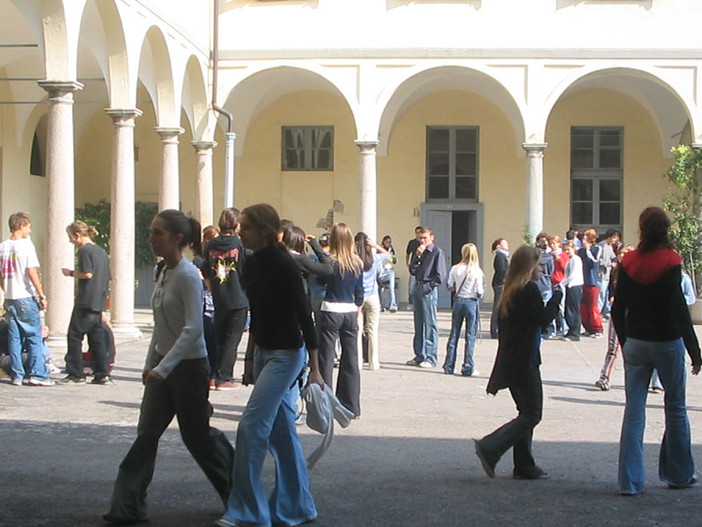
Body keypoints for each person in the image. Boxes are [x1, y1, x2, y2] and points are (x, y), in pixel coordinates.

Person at [104, 210, 234, 525]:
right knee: (147, 433)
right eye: (152, 231)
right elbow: (161, 326)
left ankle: (241, 493)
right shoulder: (164, 272)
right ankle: (128, 506)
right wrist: (152, 363)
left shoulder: (188, 275)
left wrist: (162, 368)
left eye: (158, 232)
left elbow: (192, 330)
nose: (152, 238)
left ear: (177, 239)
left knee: (197, 436)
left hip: (189, 368)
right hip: (164, 367)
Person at [217, 204, 323, 527]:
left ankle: (248, 511)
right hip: (265, 352)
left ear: (264, 231)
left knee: (251, 426)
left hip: (287, 354)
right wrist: (250, 359)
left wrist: (315, 368)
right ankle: (298, 506)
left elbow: (306, 317)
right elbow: (257, 314)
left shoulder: (284, 265)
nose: (241, 232)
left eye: (247, 227)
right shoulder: (252, 262)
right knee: (280, 432)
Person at [612, 206, 701, 495]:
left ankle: (629, 481)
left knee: (633, 412)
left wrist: (626, 342)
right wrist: (694, 349)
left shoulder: (628, 262)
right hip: (667, 341)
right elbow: (678, 308)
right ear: (665, 229)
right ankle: (679, 474)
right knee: (675, 409)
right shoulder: (671, 261)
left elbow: (617, 309)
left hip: (636, 341)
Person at [474, 245, 562, 480]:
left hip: (514, 360)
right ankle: (491, 446)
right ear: (530, 266)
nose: (542, 269)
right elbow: (542, 319)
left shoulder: (511, 290)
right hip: (525, 361)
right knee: (533, 413)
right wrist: (556, 300)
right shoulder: (527, 290)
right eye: (539, 265)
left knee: (526, 411)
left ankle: (524, 465)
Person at [0, 212, 52, 386]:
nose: (30, 231)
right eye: (28, 227)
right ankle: (38, 374)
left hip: (10, 297)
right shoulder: (26, 246)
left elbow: (1, 275)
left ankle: (17, 375)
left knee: (14, 337)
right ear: (21, 226)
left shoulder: (3, 247)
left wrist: (6, 289)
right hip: (25, 296)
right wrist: (41, 293)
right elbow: (31, 272)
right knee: (34, 336)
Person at [317, 223, 364, 416]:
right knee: (350, 359)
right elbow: (360, 291)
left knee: (326, 358)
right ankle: (351, 405)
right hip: (350, 310)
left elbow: (320, 281)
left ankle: (326, 404)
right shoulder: (357, 262)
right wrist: (358, 310)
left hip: (331, 309)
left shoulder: (331, 261)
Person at [59, 221, 112, 385]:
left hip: (86, 300)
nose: (71, 242)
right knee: (96, 338)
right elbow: (108, 277)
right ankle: (102, 373)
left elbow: (87, 274)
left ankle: (76, 374)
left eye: (71, 237)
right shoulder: (101, 251)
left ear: (77, 235)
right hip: (98, 301)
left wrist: (71, 273)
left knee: (75, 336)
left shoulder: (84, 250)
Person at [203, 208, 249, 390]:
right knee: (232, 339)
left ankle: (213, 375)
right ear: (237, 225)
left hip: (219, 297)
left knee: (218, 337)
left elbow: (206, 270)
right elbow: (245, 270)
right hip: (238, 297)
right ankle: (225, 377)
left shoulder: (210, 245)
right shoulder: (239, 245)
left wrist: (213, 289)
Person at [406, 227, 447, 368]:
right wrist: (417, 257)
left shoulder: (437, 252)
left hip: (428, 289)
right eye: (420, 238)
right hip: (417, 287)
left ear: (432, 237)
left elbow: (440, 276)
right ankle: (419, 355)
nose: (422, 241)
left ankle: (430, 357)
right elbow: (412, 270)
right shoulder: (420, 252)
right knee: (418, 323)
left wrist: (427, 287)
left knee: (430, 324)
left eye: (425, 238)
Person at [594, 244, 633, 391]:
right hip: (617, 312)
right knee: (613, 347)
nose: (622, 256)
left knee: (630, 349)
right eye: (621, 253)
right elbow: (611, 288)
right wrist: (611, 296)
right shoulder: (616, 271)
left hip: (632, 314)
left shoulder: (635, 272)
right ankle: (605, 378)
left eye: (626, 253)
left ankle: (634, 380)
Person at [442, 243, 484, 377]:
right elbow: (479, 292)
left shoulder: (455, 268)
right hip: (471, 302)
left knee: (454, 334)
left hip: (459, 301)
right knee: (470, 335)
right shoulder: (476, 270)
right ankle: (468, 366)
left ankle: (449, 365)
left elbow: (449, 285)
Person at [355, 232, 388, 371]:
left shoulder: (355, 259)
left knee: (357, 330)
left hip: (358, 297)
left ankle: (358, 362)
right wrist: (375, 245)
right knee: (372, 330)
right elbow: (389, 256)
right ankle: (374, 362)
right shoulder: (374, 257)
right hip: (373, 296)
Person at [578, 228, 604, 337]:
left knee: (593, 307)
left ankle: (597, 329)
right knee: (584, 307)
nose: (583, 238)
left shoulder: (597, 248)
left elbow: (594, 262)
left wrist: (588, 250)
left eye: (586, 236)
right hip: (583, 282)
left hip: (593, 282)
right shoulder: (581, 250)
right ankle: (588, 328)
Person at [559, 241, 584, 341]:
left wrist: (562, 283)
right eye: (565, 250)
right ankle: (570, 331)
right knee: (568, 309)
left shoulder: (576, 259)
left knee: (573, 310)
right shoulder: (571, 260)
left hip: (575, 286)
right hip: (570, 286)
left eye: (568, 250)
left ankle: (574, 333)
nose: (566, 252)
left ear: (573, 249)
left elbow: (573, 275)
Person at [597, 229, 620, 319]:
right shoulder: (601, 246)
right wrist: (610, 264)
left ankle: (606, 311)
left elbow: (613, 256)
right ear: (609, 237)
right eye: (614, 237)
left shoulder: (609, 246)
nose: (615, 240)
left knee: (606, 293)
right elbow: (598, 261)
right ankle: (597, 313)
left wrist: (615, 259)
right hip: (601, 274)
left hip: (607, 275)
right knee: (601, 294)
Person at [490, 238, 509, 339]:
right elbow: (502, 270)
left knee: (499, 306)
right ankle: (495, 329)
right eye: (504, 243)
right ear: (498, 246)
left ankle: (496, 329)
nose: (507, 244)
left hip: (500, 283)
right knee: (497, 307)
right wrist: (506, 279)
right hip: (500, 284)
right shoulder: (500, 255)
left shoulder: (502, 255)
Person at [378, 235, 398, 312]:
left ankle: (393, 305)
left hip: (389, 270)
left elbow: (394, 261)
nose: (388, 243)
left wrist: (390, 257)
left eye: (389, 242)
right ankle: (382, 306)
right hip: (382, 271)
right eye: (387, 242)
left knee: (391, 288)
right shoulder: (379, 250)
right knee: (381, 290)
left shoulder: (391, 250)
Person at [405, 226, 423, 307]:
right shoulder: (412, 242)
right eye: (417, 232)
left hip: (422, 267)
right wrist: (407, 263)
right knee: (411, 286)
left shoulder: (424, 243)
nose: (418, 234)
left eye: (420, 232)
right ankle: (411, 303)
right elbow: (408, 253)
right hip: (414, 267)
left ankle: (419, 303)